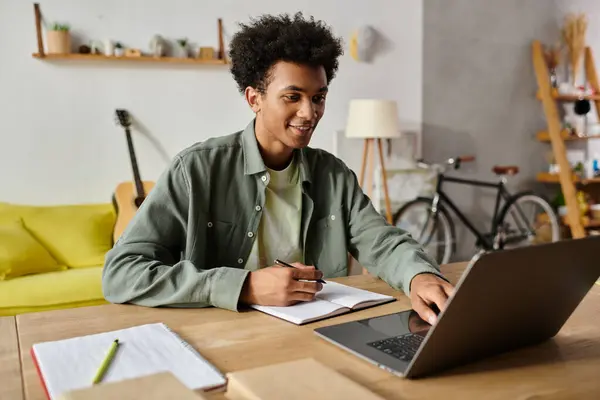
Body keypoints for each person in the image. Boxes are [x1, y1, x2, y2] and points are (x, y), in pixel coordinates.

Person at [102, 12, 454, 325]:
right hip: (221, 340)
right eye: (293, 96)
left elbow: (381, 241)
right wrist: (246, 286)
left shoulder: (333, 175)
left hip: (316, 339)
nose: (309, 112)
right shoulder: (195, 170)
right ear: (254, 98)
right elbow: (121, 272)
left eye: (318, 97)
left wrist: (418, 276)